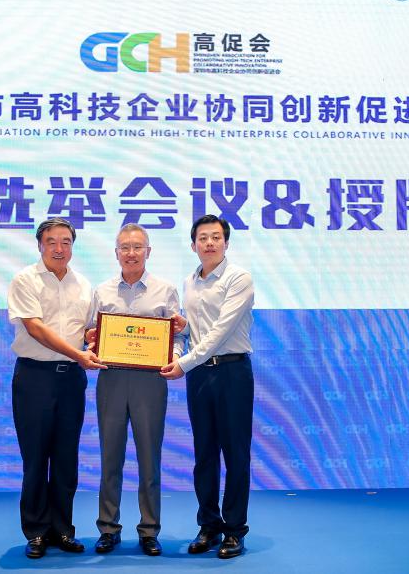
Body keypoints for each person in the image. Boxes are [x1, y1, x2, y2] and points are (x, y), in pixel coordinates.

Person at [7, 217, 106, 560]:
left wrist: (96, 338)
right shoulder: (25, 279)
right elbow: (35, 329)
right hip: (35, 377)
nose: (59, 248)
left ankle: (63, 529)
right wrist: (79, 353)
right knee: (36, 458)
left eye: (66, 242)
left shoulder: (84, 285)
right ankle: (36, 531)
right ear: (40, 245)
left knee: (66, 458)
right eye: (52, 241)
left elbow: (89, 329)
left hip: (70, 381)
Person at [85, 223, 185, 556]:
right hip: (111, 378)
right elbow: (90, 332)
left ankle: (149, 530)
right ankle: (108, 528)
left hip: (150, 381)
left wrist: (174, 357)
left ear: (148, 251)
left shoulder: (165, 290)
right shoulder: (102, 291)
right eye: (124, 248)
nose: (131, 253)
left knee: (149, 458)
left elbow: (178, 335)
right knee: (110, 456)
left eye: (137, 247)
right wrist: (92, 342)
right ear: (116, 253)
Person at [160, 214, 255, 560]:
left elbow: (220, 332)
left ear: (226, 243)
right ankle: (209, 526)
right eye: (203, 238)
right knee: (204, 454)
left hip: (231, 373)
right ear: (193, 245)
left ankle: (234, 530)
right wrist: (181, 333)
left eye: (216, 237)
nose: (210, 243)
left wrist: (183, 363)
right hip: (200, 374)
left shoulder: (239, 278)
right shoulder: (190, 281)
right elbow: (197, 331)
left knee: (235, 455)